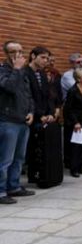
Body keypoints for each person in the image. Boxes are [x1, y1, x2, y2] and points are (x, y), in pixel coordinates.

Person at [0, 41, 36, 204]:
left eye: (21, 51)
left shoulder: (23, 73)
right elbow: (10, 88)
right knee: (5, 159)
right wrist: (16, 70)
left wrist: (31, 111)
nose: (18, 54)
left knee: (19, 157)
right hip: (8, 121)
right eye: (14, 51)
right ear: (6, 54)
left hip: (23, 120)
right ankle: (1, 191)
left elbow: (28, 95)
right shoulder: (4, 71)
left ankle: (13, 186)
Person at [23, 47, 59, 184]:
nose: (46, 61)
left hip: (44, 117)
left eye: (47, 58)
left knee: (40, 147)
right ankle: (31, 174)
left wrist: (50, 113)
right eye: (43, 57)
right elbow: (28, 97)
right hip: (29, 116)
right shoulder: (24, 73)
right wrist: (38, 115)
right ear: (33, 56)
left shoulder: (43, 74)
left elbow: (48, 96)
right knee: (30, 148)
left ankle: (38, 174)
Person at [64, 68, 82, 178]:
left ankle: (80, 166)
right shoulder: (73, 91)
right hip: (76, 122)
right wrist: (75, 122)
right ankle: (74, 168)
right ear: (79, 79)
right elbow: (68, 109)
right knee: (75, 146)